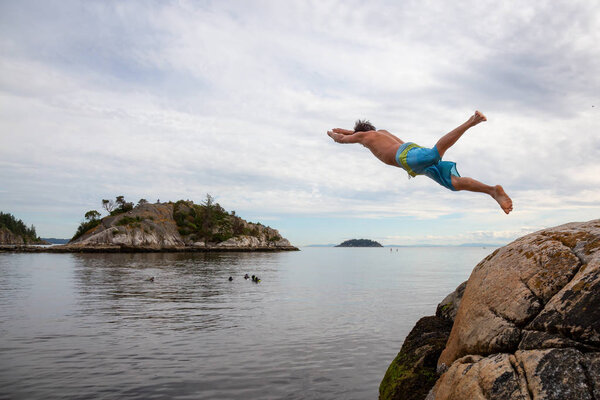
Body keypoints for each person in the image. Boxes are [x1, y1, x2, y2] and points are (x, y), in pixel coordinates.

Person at [326, 111, 512, 214]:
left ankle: (471, 122)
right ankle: (492, 191)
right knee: (454, 183)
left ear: (359, 133)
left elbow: (342, 139)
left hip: (405, 157)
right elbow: (355, 133)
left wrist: (333, 134)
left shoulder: (363, 136)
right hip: (413, 158)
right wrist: (348, 131)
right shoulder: (381, 132)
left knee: (433, 155)